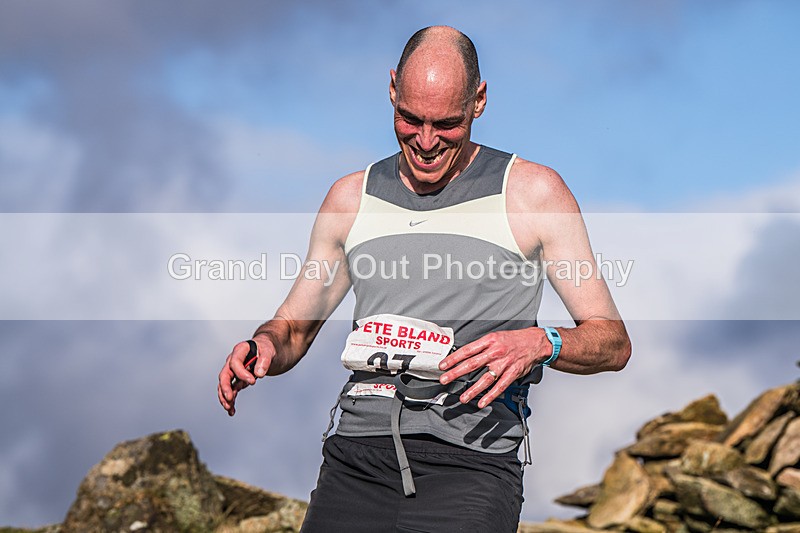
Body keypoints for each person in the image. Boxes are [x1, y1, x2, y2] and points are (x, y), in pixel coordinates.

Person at [217, 25, 631, 533]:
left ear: (478, 101)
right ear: (392, 89)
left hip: (472, 466)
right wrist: (261, 346)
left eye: (446, 123)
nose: (427, 141)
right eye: (410, 119)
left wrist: (540, 343)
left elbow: (612, 342)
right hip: (354, 459)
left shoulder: (534, 193)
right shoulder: (350, 198)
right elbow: (293, 329)